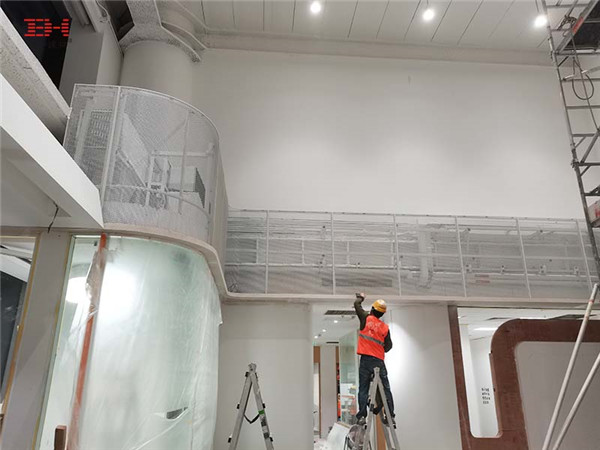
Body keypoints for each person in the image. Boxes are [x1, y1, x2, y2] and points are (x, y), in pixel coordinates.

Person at [354, 292, 394, 425]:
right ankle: (390, 415)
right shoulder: (385, 328)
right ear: (382, 314)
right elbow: (389, 346)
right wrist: (378, 348)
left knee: (363, 388)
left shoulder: (365, 318)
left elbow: (356, 304)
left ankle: (362, 416)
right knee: (386, 388)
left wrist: (361, 297)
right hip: (378, 361)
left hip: (365, 360)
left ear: (372, 309)